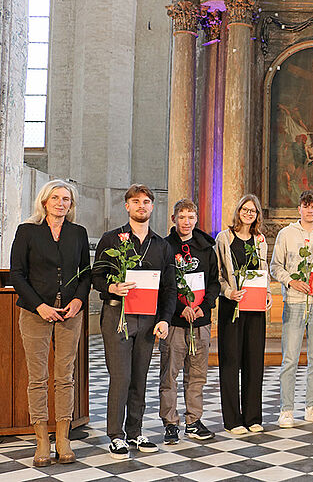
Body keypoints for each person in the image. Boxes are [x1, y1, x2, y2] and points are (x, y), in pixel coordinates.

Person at [9, 180, 90, 466]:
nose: (60, 203)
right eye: (54, 198)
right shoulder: (27, 231)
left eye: (65, 199)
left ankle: (64, 438)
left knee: (64, 376)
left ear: (71, 204)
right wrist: (40, 306)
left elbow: (86, 273)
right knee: (38, 377)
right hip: (35, 313)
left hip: (70, 313)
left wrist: (79, 300)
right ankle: (42, 439)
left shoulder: (78, 233)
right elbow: (17, 275)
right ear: (44, 202)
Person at [92, 184, 175, 459]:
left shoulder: (161, 245)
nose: (142, 206)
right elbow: (97, 277)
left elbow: (169, 288)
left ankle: (135, 430)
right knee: (121, 377)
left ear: (153, 207)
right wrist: (112, 288)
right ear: (127, 206)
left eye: (147, 201)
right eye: (136, 201)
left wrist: (164, 320)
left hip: (148, 319)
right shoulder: (111, 239)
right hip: (117, 315)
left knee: (140, 376)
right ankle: (115, 436)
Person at [270, 190, 313, 428]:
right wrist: (291, 281)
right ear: (299, 209)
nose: (310, 211)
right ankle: (286, 410)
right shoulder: (286, 234)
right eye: (305, 206)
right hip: (295, 302)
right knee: (290, 358)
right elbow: (275, 266)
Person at [159, 199, 220, 444]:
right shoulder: (163, 247)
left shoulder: (206, 248)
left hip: (200, 321)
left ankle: (193, 421)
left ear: (196, 220)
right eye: (182, 217)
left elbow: (215, 282)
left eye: (191, 217)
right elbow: (162, 286)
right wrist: (180, 309)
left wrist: (202, 308)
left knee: (197, 375)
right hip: (175, 322)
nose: (187, 222)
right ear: (174, 219)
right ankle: (170, 423)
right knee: (169, 375)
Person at [215, 194, 272, 435]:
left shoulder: (260, 240)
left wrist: (267, 293)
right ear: (238, 211)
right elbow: (216, 274)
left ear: (258, 215)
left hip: (255, 307)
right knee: (230, 362)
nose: (249, 214)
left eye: (253, 211)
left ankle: (252, 417)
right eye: (245, 209)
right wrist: (229, 292)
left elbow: (264, 271)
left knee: (254, 361)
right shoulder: (224, 238)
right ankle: (232, 420)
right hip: (231, 306)